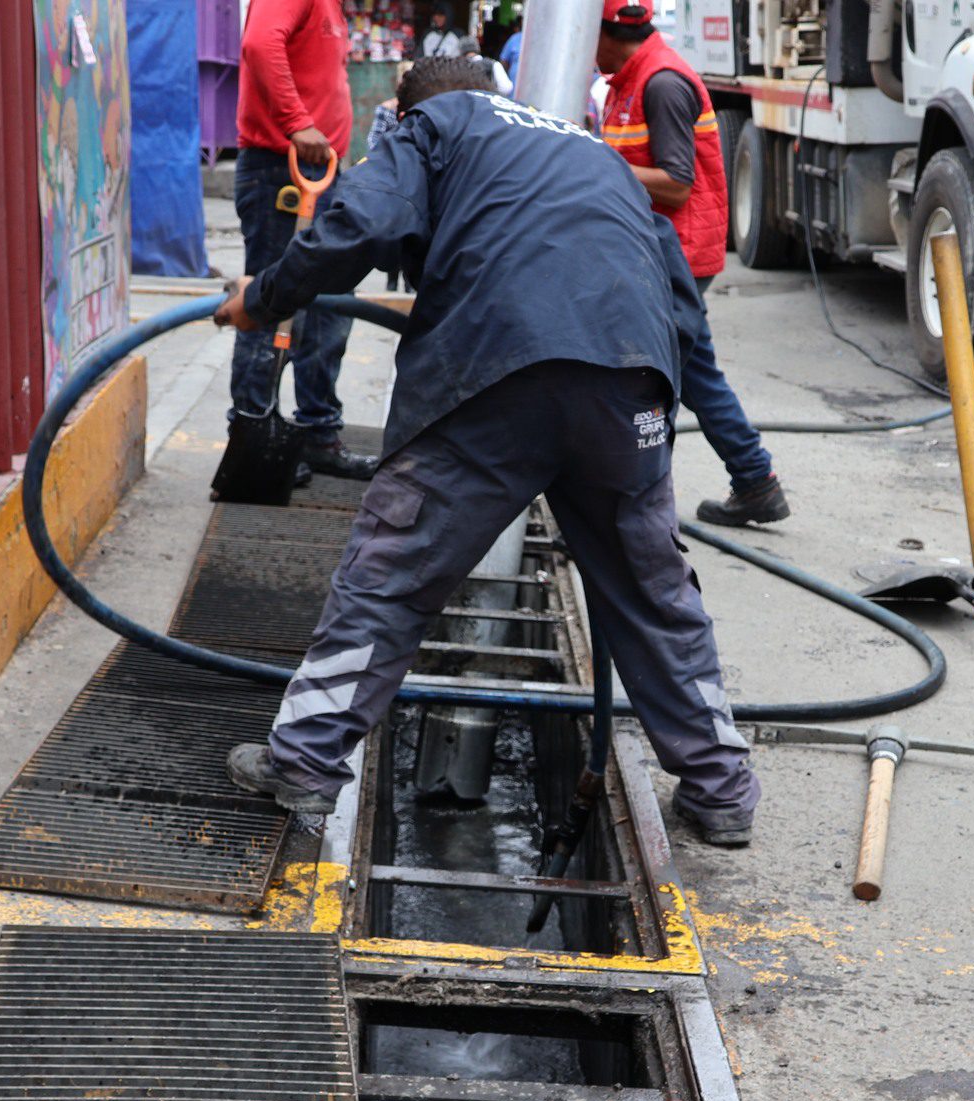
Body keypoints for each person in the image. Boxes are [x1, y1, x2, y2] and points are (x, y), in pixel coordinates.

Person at [215, 56, 761, 847]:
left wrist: (262, 298)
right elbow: (680, 303)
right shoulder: (591, 152)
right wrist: (662, 415)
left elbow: (360, 223)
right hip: (630, 382)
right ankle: (721, 789)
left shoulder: (437, 125)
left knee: (391, 574)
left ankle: (302, 763)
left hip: (493, 374)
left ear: (405, 113)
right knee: (656, 593)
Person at [596, 0, 789, 527]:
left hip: (674, 255)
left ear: (609, 34)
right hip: (658, 251)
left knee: (653, 376)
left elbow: (677, 185)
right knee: (693, 370)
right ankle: (754, 480)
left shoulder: (661, 83)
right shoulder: (629, 81)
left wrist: (594, 166)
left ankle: (638, 507)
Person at [233, 0, 373, 477]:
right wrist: (297, 122)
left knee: (330, 305)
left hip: (321, 173)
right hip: (282, 172)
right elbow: (258, 43)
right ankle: (252, 438)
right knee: (271, 303)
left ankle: (317, 433)